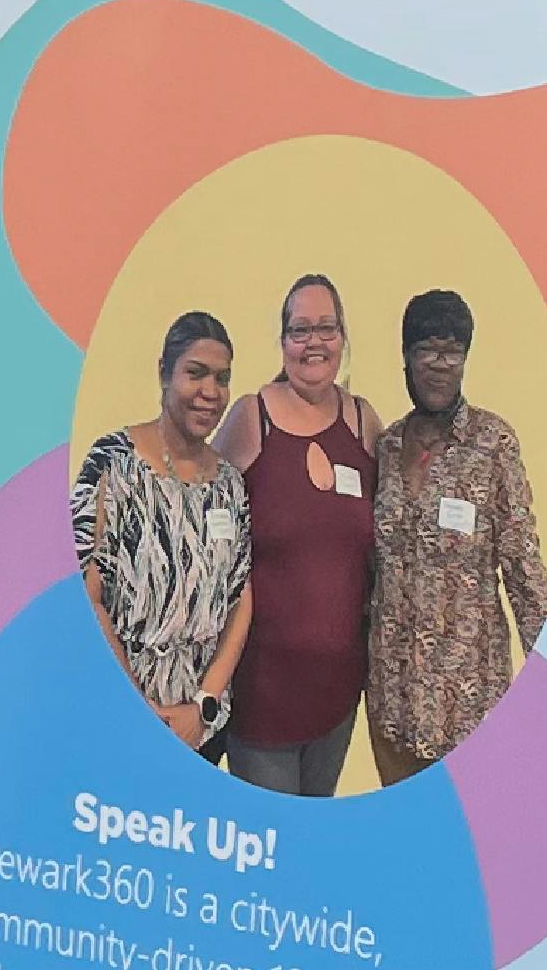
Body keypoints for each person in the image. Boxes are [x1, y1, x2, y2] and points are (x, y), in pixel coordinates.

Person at [363, 289, 547, 781]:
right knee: (401, 826)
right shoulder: (386, 447)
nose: (439, 365)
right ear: (406, 358)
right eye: (426, 349)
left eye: (453, 351)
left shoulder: (493, 444)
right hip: (392, 705)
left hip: (469, 708)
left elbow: (524, 571)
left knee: (466, 828)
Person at [210, 272, 382, 796]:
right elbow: (199, 520)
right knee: (270, 839)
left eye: (326, 328)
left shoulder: (364, 423)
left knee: (314, 836)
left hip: (337, 696)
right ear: (283, 341)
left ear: (343, 337)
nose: (314, 342)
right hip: (262, 694)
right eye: (300, 330)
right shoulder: (250, 418)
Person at [70, 311, 253, 745]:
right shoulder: (112, 463)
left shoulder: (229, 484)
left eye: (222, 378)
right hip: (118, 717)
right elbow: (86, 596)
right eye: (196, 373)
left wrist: (204, 705)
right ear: (164, 374)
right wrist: (138, 710)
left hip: (201, 727)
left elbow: (240, 599)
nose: (210, 392)